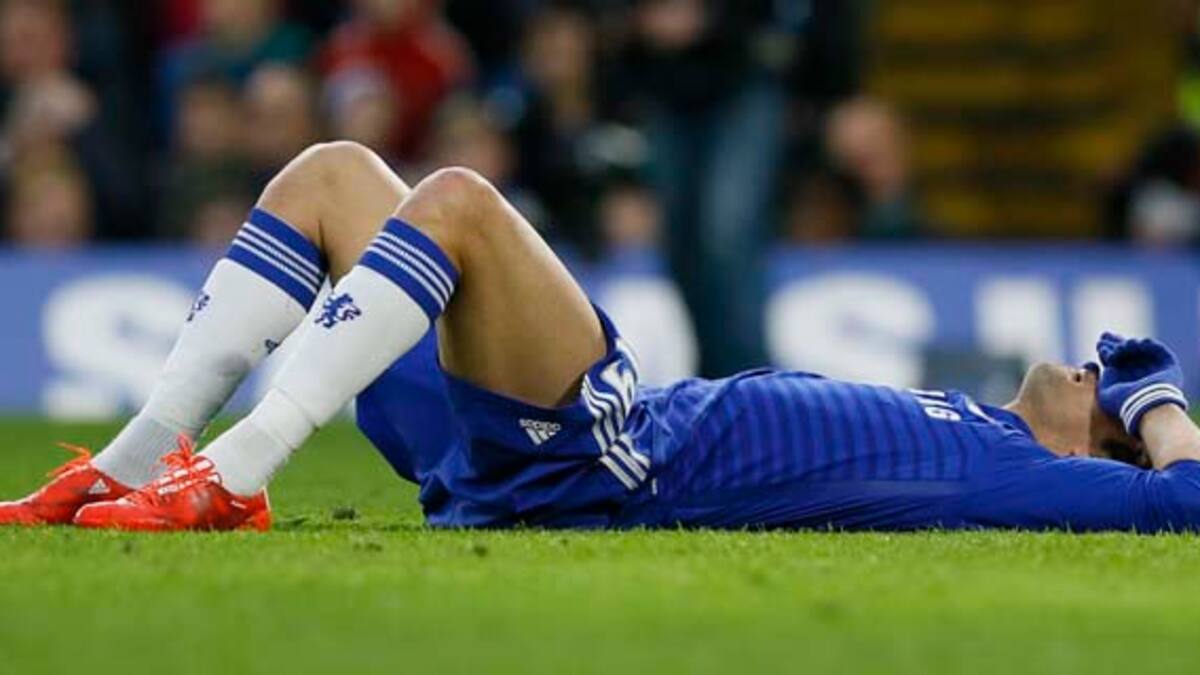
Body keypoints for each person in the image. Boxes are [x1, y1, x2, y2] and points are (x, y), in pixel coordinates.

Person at [3, 141, 1200, 532]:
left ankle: (233, 474)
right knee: (332, 177)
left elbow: (1185, 502)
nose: (1093, 366)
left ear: (1097, 448)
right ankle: (132, 460)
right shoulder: (983, 423)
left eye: (1102, 389)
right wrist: (1131, 404)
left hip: (617, 459)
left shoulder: (1027, 476)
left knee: (459, 203)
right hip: (559, 440)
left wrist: (1157, 398)